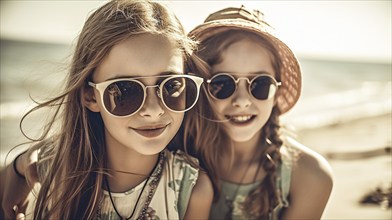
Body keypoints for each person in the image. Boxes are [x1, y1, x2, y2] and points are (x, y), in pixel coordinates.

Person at [0, 0, 214, 219]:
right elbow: (26, 166)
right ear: (90, 96)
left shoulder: (192, 188)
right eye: (125, 90)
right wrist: (17, 169)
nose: (153, 110)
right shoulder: (59, 168)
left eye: (171, 86)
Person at [181, 6, 333, 220]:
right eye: (222, 84)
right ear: (199, 88)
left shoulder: (310, 175)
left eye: (260, 84)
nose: (242, 101)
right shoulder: (175, 160)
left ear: (277, 92)